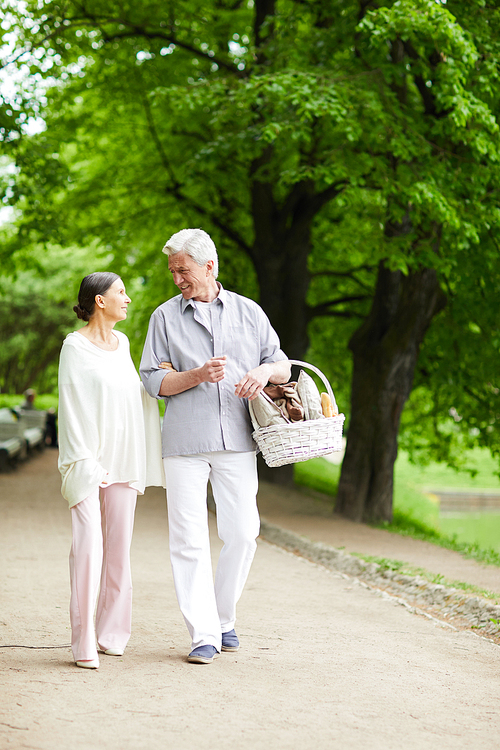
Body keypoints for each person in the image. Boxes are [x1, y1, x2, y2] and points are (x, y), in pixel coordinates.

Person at [140, 228, 290, 664]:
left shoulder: (249, 312)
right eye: (172, 272)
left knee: (243, 534)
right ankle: (203, 633)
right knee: (188, 539)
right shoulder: (164, 318)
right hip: (185, 442)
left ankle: (223, 617)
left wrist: (262, 374)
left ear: (209, 266)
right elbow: (153, 381)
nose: (176, 279)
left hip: (240, 440)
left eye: (182, 270)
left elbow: (280, 362)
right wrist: (195, 376)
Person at [58, 272, 164, 670]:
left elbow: (132, 396)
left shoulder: (123, 344)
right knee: (88, 549)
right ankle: (84, 640)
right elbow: (72, 405)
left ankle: (113, 633)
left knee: (119, 551)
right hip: (88, 462)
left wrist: (162, 376)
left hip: (123, 460)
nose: (128, 298)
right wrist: (86, 461)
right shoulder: (74, 346)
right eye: (121, 292)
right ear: (99, 301)